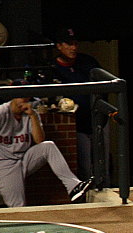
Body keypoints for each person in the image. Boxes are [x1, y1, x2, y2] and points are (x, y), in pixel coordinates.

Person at [0, 93, 94, 207]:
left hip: (23, 158)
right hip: (3, 164)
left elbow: (39, 140)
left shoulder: (30, 113)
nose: (22, 100)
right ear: (12, 97)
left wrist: (33, 116)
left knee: (48, 146)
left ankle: (73, 187)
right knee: (19, 208)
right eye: (20, 96)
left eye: (26, 97)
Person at [50, 27, 108, 183]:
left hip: (98, 122)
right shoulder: (52, 69)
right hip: (77, 127)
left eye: (75, 43)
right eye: (68, 44)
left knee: (103, 166)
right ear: (59, 46)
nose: (73, 48)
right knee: (84, 168)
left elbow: (105, 87)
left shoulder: (88, 62)